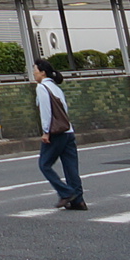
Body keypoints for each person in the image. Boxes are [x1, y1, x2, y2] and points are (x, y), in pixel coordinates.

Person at [34, 57, 84, 210]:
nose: (34, 73)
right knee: (71, 168)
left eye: (35, 70)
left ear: (43, 72)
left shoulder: (42, 87)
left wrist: (46, 132)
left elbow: (46, 111)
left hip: (56, 133)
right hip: (68, 131)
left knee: (44, 164)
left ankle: (66, 192)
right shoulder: (56, 88)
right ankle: (78, 201)